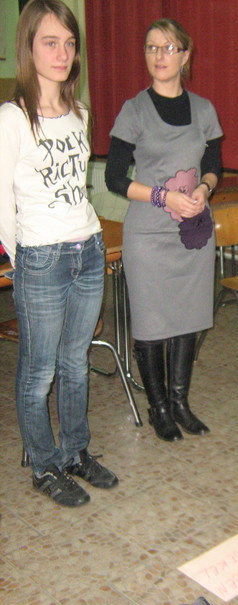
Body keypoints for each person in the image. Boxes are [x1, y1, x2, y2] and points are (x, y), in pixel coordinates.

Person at [0, 0, 118, 506]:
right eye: (51, 42)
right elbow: (2, 201)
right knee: (38, 372)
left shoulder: (80, 113)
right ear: (28, 48)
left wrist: (87, 241)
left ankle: (74, 452)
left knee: (75, 362)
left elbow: (76, 191)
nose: (63, 53)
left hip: (88, 249)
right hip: (41, 259)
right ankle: (44, 465)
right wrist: (23, 258)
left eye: (70, 43)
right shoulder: (11, 118)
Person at [106, 18, 223, 442]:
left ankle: (180, 403)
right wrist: (164, 197)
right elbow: (115, 178)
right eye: (152, 47)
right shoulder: (134, 110)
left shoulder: (204, 110)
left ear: (185, 56)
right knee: (152, 322)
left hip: (193, 232)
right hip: (149, 236)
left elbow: (214, 164)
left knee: (189, 318)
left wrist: (204, 190)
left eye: (169, 48)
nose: (159, 56)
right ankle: (158, 409)